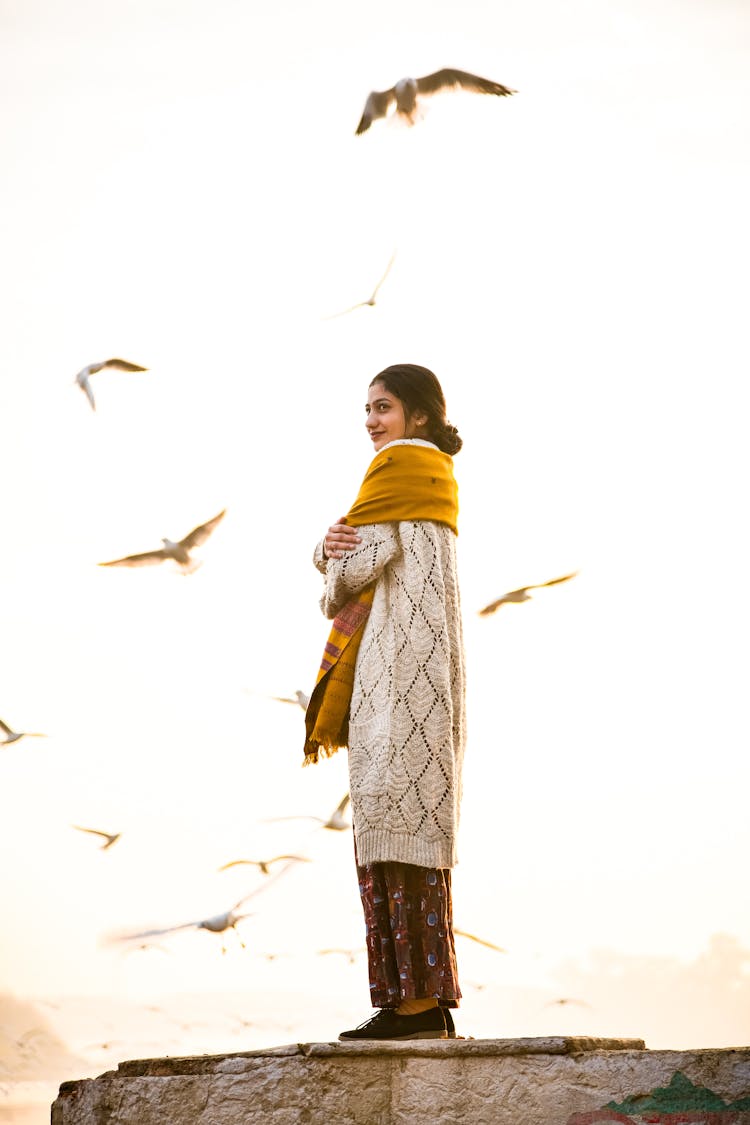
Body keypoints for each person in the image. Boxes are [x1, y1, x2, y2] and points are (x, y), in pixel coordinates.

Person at [304, 363, 466, 1041]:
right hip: (427, 676)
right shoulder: (433, 477)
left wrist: (320, 552)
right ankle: (422, 1001)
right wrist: (333, 545)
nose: (373, 421)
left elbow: (350, 570)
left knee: (389, 835)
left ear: (419, 416)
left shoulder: (397, 466)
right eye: (367, 409)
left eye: (385, 407)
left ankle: (412, 1005)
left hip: (395, 679)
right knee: (412, 838)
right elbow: (368, 545)